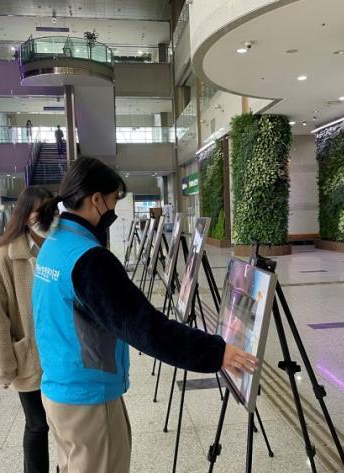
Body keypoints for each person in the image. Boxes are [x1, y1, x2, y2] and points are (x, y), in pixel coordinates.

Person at [32, 156, 257, 473]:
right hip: (89, 400)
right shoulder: (89, 259)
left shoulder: (54, 243)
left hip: (59, 390)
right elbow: (146, 328)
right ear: (96, 200)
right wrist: (216, 352)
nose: (114, 210)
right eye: (113, 200)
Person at [0, 185, 56, 473]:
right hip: (29, 356)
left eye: (52, 210)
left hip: (60, 352)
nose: (48, 217)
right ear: (25, 216)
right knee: (37, 424)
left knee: (65, 423)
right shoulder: (5, 258)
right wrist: (5, 365)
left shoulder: (59, 248)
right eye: (41, 211)